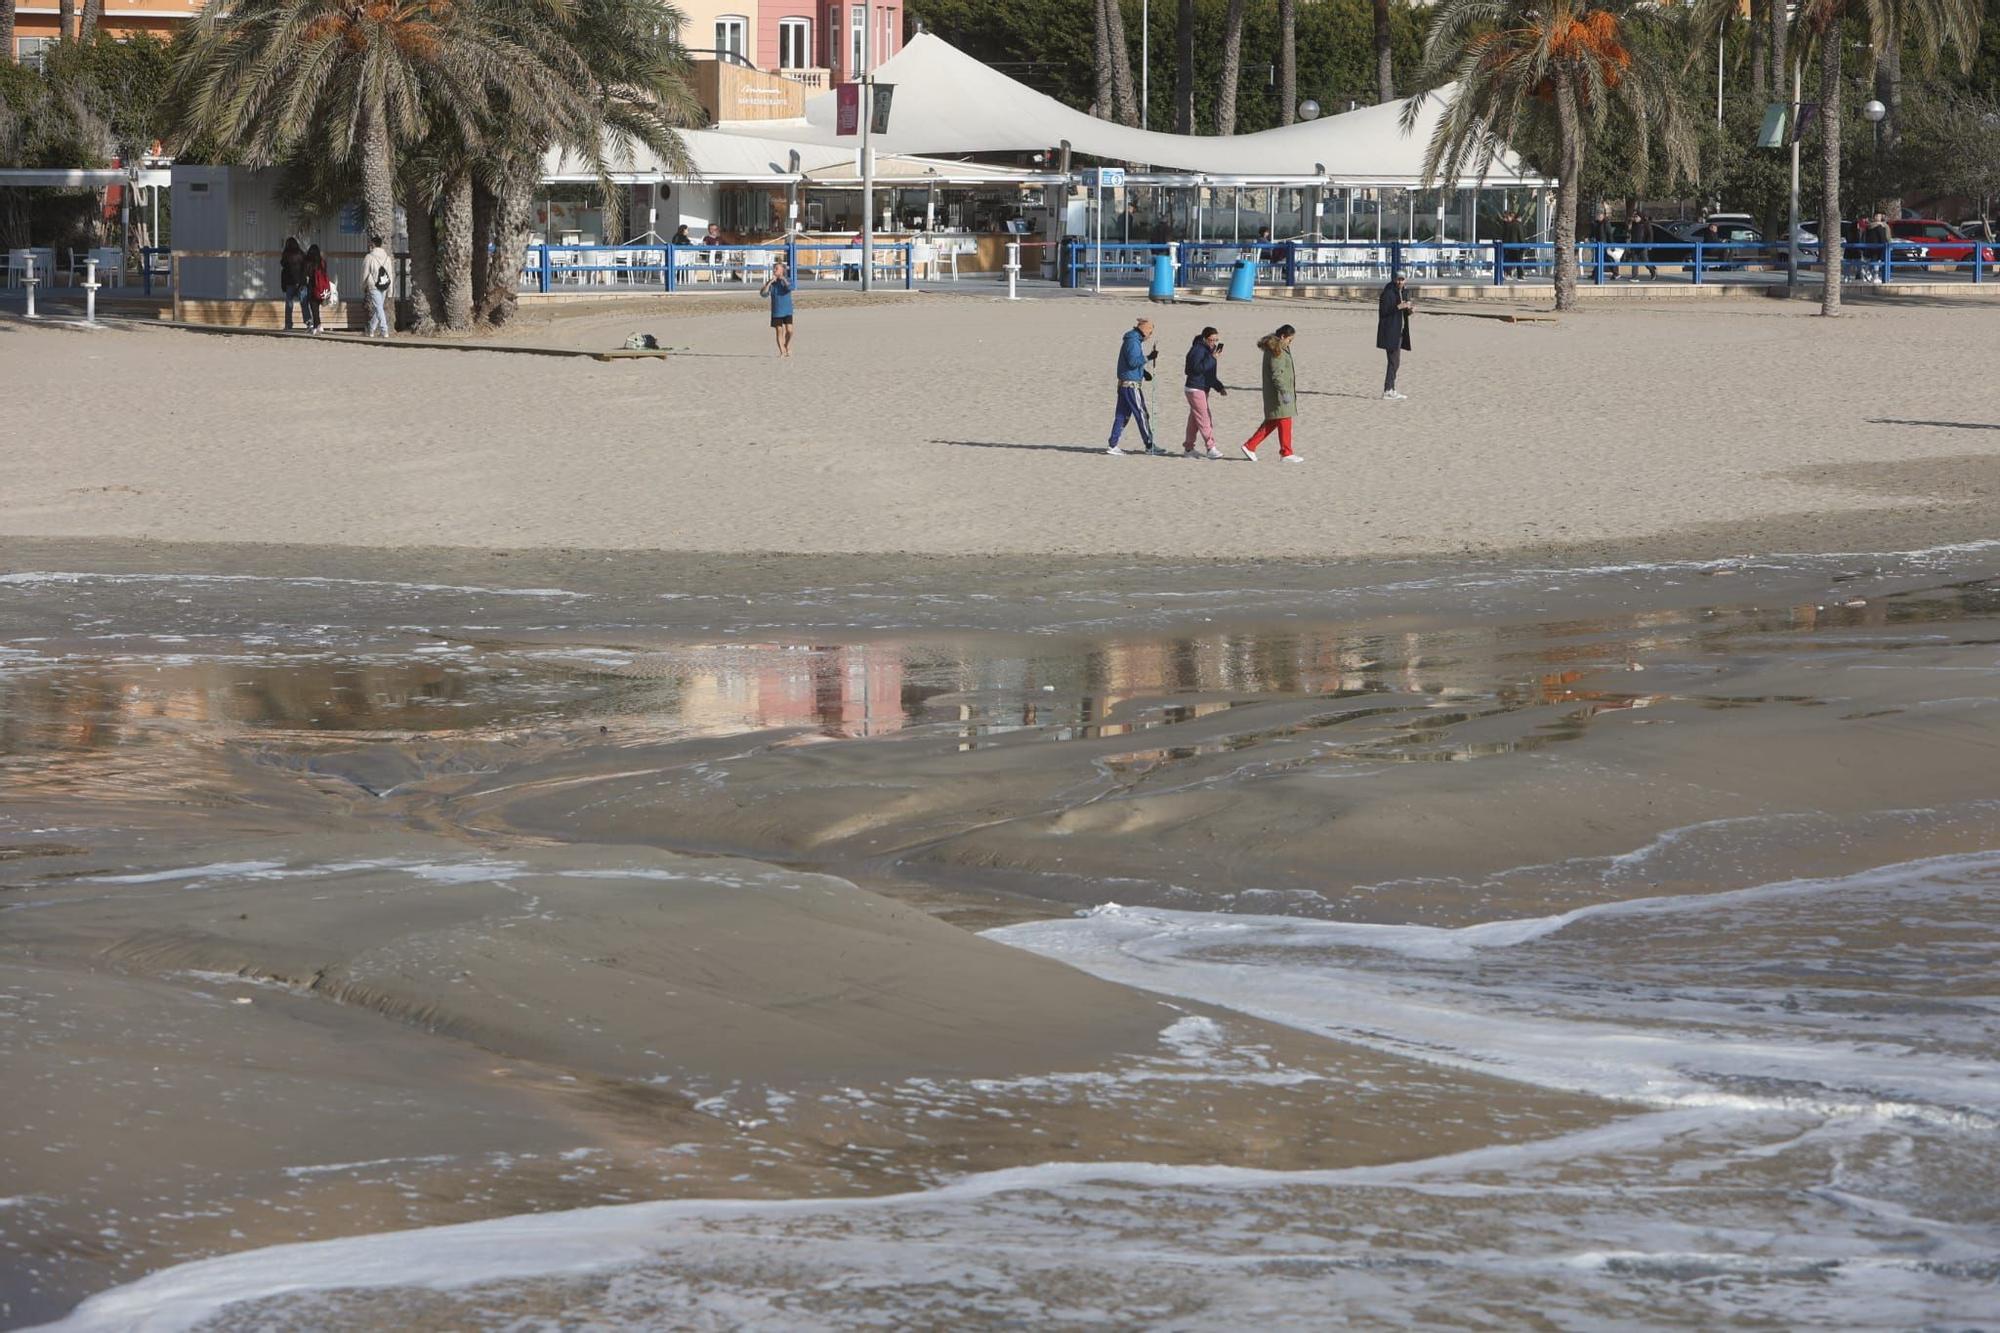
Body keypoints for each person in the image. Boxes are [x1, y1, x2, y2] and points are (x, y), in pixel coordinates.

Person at [1239, 324, 1301, 462]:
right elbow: (1277, 375)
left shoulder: (1279, 348)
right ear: (1283, 336)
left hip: (1277, 392)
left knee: (1274, 420)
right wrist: (1284, 392)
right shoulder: (1276, 350)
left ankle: (1250, 445)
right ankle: (1286, 453)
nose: (1290, 343)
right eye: (1290, 340)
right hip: (1277, 393)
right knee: (1284, 419)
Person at [1106, 318, 1163, 456]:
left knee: (1122, 415)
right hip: (1130, 386)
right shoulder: (1132, 342)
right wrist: (1149, 357)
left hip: (1126, 383)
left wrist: (1143, 372)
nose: (1150, 337)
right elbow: (1132, 361)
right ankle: (1149, 445)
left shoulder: (1133, 340)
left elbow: (1131, 363)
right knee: (1142, 414)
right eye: (1150, 333)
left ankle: (1113, 445)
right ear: (1145, 331)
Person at [1182, 326, 1227, 459]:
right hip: (1195, 388)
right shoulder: (1198, 350)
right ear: (1204, 338)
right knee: (1205, 418)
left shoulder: (1208, 351)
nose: (1213, 343)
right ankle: (1210, 447)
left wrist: (1219, 387)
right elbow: (1194, 369)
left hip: (1202, 388)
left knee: (1195, 420)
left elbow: (1210, 374)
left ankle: (1188, 449)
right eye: (1211, 340)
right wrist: (1212, 358)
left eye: (1216, 340)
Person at [1379, 271, 1413, 400]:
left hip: (1400, 331)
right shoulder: (1388, 292)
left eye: (1402, 279)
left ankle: (1391, 389)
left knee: (1395, 362)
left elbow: (1403, 312)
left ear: (1405, 280)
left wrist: (1409, 311)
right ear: (1394, 280)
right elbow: (1384, 312)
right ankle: (1388, 390)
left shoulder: (1405, 292)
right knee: (1393, 361)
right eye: (1398, 279)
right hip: (1390, 331)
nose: (1400, 282)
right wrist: (1398, 307)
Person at [760, 257, 795, 357]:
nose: (774, 270)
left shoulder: (787, 280)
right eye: (774, 269)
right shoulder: (771, 283)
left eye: (777, 269)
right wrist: (770, 282)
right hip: (776, 311)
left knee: (790, 331)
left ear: (782, 270)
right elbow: (763, 294)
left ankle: (786, 345)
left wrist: (783, 279)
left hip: (787, 310)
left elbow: (790, 288)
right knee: (779, 330)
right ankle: (782, 352)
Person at [362, 234, 393, 338]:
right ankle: (371, 330)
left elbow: (364, 273)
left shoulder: (369, 257)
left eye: (371, 244)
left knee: (378, 307)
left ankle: (384, 330)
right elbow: (390, 274)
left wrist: (362, 285)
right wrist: (390, 290)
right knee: (378, 307)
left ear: (373, 244)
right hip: (384, 284)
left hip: (373, 285)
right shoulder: (387, 258)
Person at [301, 242, 329, 333]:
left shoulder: (308, 262)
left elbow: (305, 274)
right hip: (321, 287)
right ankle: (318, 325)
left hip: (312, 286)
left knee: (314, 307)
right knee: (316, 307)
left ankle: (317, 326)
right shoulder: (322, 262)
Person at [279, 236, 306, 331]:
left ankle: (288, 324)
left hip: (290, 282)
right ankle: (309, 322)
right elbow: (305, 267)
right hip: (301, 282)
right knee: (304, 303)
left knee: (289, 305)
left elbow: (282, 264)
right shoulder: (301, 254)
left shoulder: (286, 255)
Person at [1626, 212, 1658, 280]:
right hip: (1634, 245)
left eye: (1636, 217)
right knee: (1634, 262)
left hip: (1643, 246)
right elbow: (1630, 233)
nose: (1635, 218)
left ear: (1640, 217)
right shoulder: (1634, 225)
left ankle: (1653, 271)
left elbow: (1650, 235)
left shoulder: (1646, 225)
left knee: (1645, 261)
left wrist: (1649, 244)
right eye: (1634, 217)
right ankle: (1634, 276)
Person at [1497, 209, 1525, 279]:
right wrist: (1523, 246)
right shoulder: (1518, 225)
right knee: (1519, 261)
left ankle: (1508, 274)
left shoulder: (1507, 225)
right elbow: (1521, 236)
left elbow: (1504, 235)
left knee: (1509, 261)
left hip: (1508, 246)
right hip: (1517, 247)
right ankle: (1520, 275)